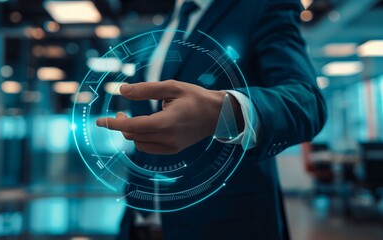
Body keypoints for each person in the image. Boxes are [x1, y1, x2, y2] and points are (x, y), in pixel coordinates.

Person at [97, 0, 327, 239]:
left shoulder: (262, 6)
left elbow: (308, 102)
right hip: (141, 222)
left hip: (226, 224)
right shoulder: (163, 28)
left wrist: (225, 113)